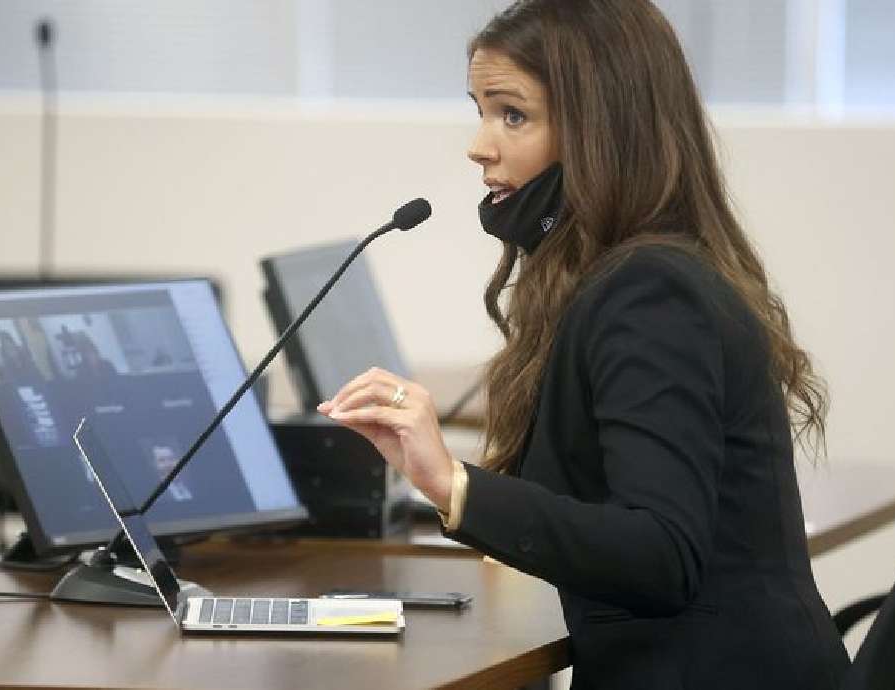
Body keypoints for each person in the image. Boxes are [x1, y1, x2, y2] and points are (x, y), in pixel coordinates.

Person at [317, 1, 850, 688]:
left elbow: (661, 554)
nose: (479, 144)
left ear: (602, 131)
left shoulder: (650, 294)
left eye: (512, 115)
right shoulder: (633, 276)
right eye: (480, 110)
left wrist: (452, 484)